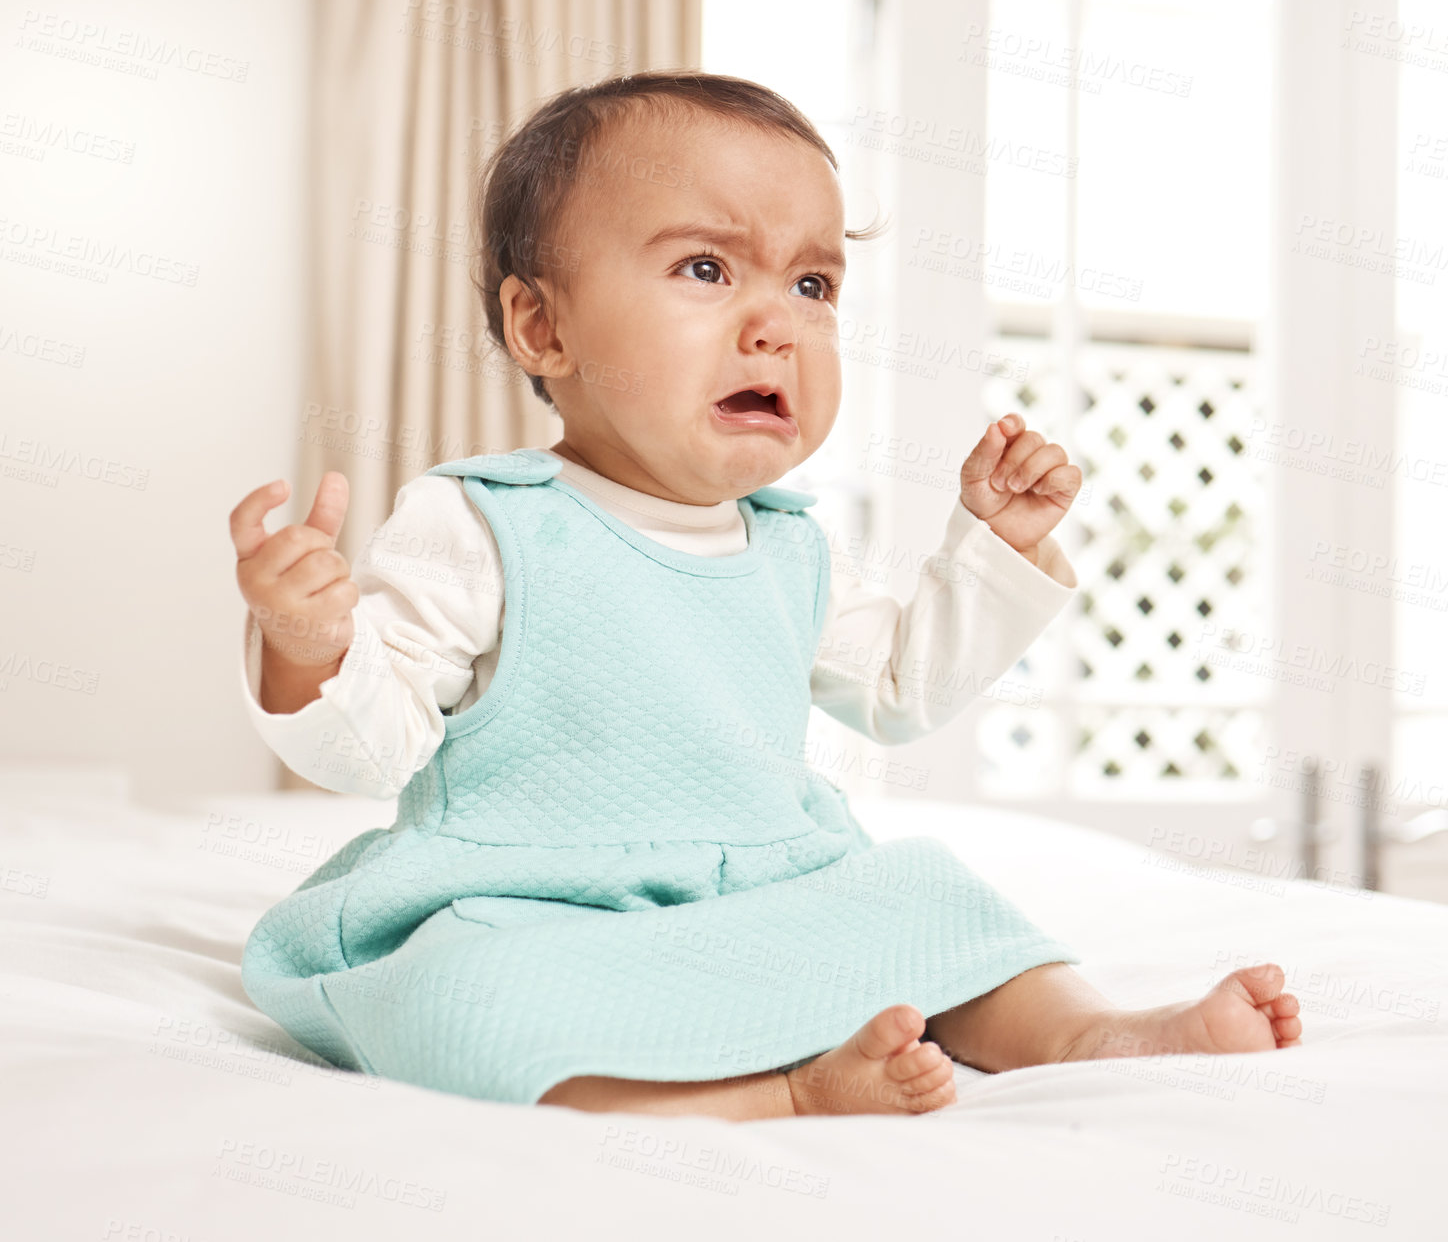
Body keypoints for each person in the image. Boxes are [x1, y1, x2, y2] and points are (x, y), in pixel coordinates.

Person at [230, 69, 1301, 1122]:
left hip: (761, 898)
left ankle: (1086, 1034)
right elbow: (372, 752)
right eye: (704, 268)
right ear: (541, 328)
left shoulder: (788, 547)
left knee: (933, 899)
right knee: (462, 1000)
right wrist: (310, 639)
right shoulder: (483, 523)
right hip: (535, 904)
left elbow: (895, 693)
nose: (775, 325)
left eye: (812, 286)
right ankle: (773, 1090)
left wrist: (992, 551)